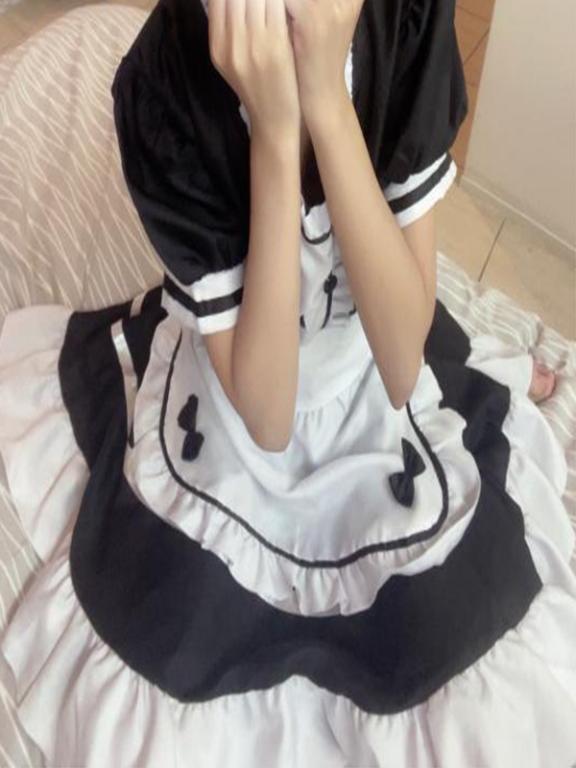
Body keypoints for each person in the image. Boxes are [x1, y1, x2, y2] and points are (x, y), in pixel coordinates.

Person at [0, 0, 574, 765]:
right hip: (242, 404)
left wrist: (327, 104)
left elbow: (401, 362)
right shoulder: (161, 85)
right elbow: (267, 419)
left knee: (468, 645)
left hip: (374, 371)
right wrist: (274, 135)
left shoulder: (405, 17)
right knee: (182, 648)